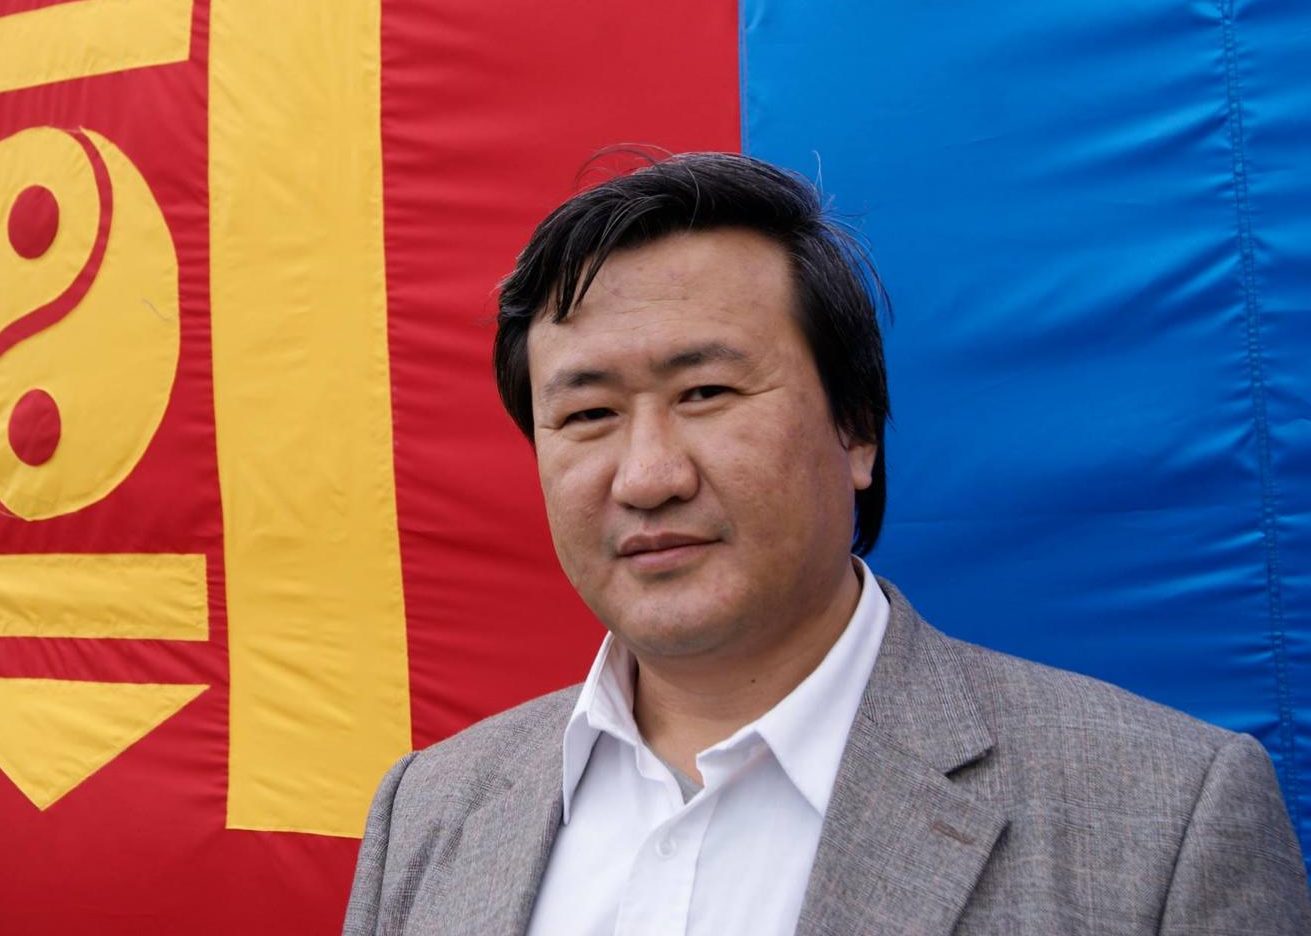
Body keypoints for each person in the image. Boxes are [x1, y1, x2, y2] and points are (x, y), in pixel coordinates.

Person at [342, 151, 1310, 935]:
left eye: (706, 393)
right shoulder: (429, 811)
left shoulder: (1165, 817)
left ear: (856, 428)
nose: (647, 476)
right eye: (589, 413)